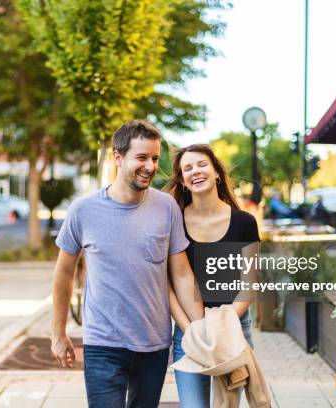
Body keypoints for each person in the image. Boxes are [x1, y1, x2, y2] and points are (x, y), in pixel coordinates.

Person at [51, 119, 204, 408]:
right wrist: (58, 333)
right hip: (103, 343)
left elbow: (182, 275)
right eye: (142, 157)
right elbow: (63, 273)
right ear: (118, 157)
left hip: (154, 344)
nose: (150, 166)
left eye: (155, 158)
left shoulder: (166, 207)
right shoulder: (83, 210)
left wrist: (203, 329)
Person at [164, 143, 261, 408]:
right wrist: (192, 329)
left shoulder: (244, 222)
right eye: (187, 168)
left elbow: (249, 283)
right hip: (188, 331)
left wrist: (223, 324)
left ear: (217, 172)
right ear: (183, 180)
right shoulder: (174, 222)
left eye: (201, 164)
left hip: (233, 328)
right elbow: (168, 286)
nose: (195, 171)